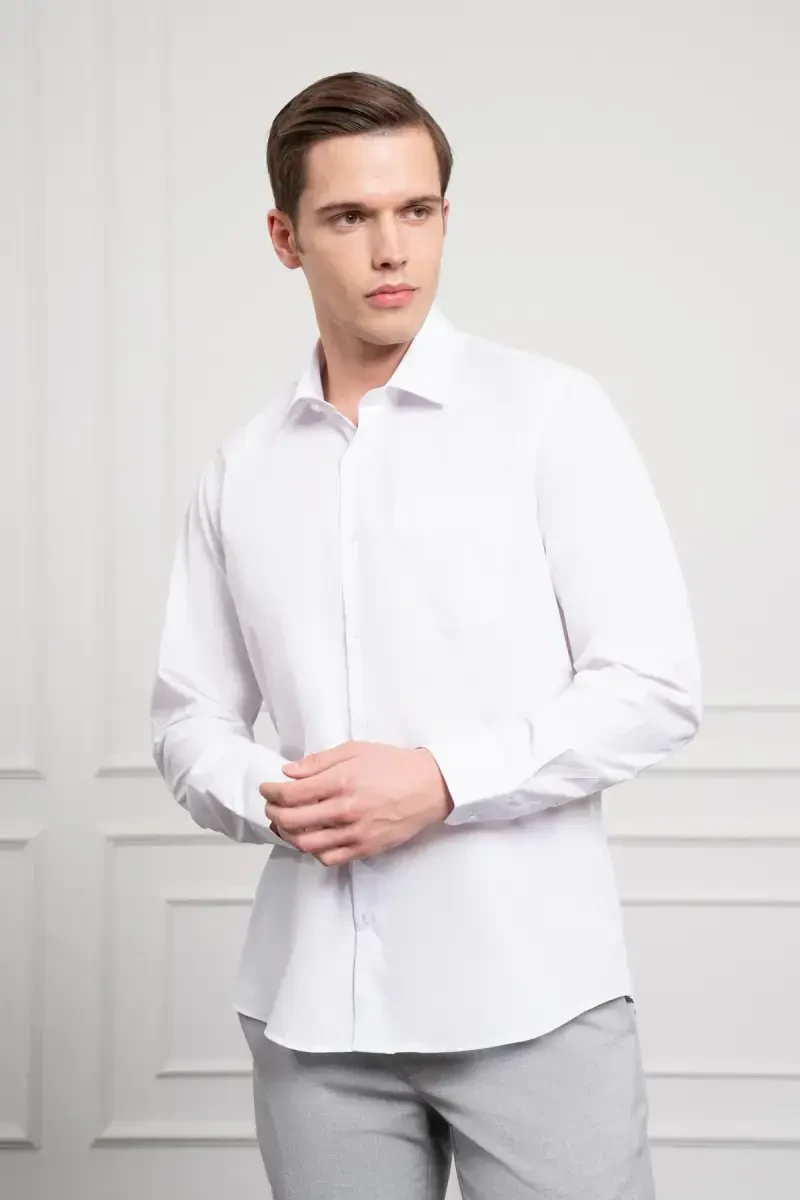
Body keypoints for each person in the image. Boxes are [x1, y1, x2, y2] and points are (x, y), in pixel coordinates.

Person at [150, 69, 701, 1200]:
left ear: (447, 216)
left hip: (533, 997)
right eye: (348, 217)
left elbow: (650, 684)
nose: (390, 249)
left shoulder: (549, 415)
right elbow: (187, 719)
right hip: (314, 1017)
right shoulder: (241, 471)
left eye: (417, 210)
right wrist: (277, 795)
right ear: (285, 238)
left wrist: (439, 782)